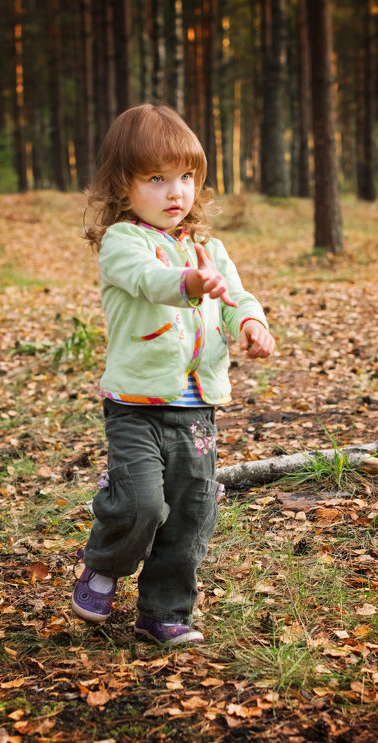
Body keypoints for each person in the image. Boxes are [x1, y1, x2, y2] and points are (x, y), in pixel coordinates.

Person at [72, 104, 275, 645]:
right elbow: (150, 281)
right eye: (156, 179)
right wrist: (188, 282)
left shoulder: (210, 247)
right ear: (124, 185)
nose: (174, 192)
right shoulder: (123, 242)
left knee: (190, 511)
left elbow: (235, 295)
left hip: (196, 406)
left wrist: (250, 321)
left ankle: (165, 612)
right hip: (136, 403)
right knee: (143, 504)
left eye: (185, 177)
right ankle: (104, 563)